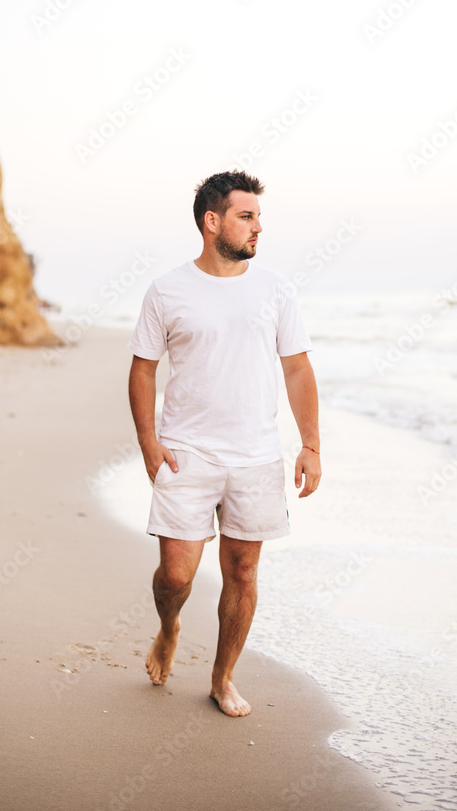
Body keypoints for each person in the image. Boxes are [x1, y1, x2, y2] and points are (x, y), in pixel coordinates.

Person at [127, 169, 321, 717]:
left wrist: (311, 444)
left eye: (259, 216)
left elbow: (299, 369)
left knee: (241, 572)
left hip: (257, 455)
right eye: (246, 216)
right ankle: (169, 628)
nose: (259, 227)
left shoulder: (276, 289)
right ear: (212, 222)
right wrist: (148, 441)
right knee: (176, 575)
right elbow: (143, 371)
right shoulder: (167, 290)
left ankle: (222, 676)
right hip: (186, 452)